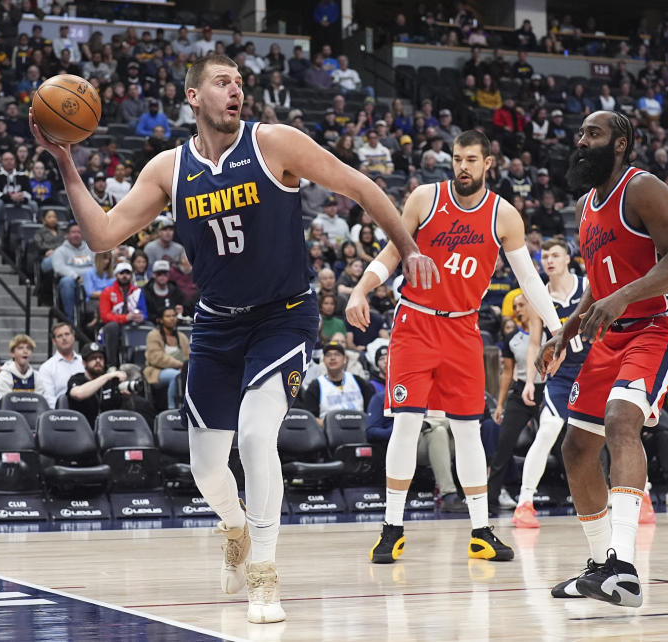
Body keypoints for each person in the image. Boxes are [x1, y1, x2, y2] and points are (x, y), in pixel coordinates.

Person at [30, 53, 434, 624]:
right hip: (217, 325)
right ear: (193, 96)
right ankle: (235, 525)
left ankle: (264, 575)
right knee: (206, 468)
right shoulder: (169, 170)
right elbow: (102, 235)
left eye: (240, 83)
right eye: (222, 83)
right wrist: (66, 163)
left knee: (254, 433)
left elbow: (362, 186)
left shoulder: (275, 143)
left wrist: (409, 251)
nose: (235, 91)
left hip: (283, 317)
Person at [346, 129, 563, 566]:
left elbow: (529, 282)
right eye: (457, 158)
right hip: (415, 324)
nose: (462, 166)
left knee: (467, 430)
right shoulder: (425, 198)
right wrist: (360, 289)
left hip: (463, 328)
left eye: (470, 159)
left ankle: (481, 532)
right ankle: (392, 528)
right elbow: (391, 253)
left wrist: (558, 330)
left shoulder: (504, 216)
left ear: (488, 165)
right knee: (407, 425)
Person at [536, 111, 668, 608]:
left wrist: (622, 297)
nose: (582, 141)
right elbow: (600, 283)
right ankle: (598, 567)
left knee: (621, 421)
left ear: (622, 143)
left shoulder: (643, 188)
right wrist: (565, 328)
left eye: (594, 134)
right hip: (611, 332)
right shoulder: (587, 206)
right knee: (576, 449)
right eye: (581, 134)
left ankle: (623, 567)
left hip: (660, 325)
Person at [506, 239, 592, 527]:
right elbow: (534, 343)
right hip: (562, 373)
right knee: (548, 431)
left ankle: (640, 494)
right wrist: (530, 379)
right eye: (544, 257)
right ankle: (525, 503)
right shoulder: (538, 296)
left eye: (555, 255)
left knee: (620, 429)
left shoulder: (587, 285)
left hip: (596, 368)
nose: (549, 260)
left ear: (568, 258)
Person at [487, 294, 546, 515]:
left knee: (560, 443)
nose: (517, 309)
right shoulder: (511, 337)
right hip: (520, 392)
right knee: (504, 444)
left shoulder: (549, 331)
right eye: (514, 306)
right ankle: (491, 498)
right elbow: (507, 374)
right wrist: (500, 404)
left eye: (521, 304)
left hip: (546, 391)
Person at [298, 341, 376, 425]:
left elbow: (371, 410)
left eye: (337, 354)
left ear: (345, 359)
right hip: (329, 434)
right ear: (323, 360)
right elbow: (310, 418)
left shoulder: (358, 381)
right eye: (328, 355)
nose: (332, 358)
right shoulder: (315, 386)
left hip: (360, 430)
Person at [67, 342, 138, 428]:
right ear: (84, 363)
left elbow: (122, 412)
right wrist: (107, 376)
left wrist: (126, 398)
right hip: (81, 430)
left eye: (100, 358)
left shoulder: (110, 382)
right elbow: (78, 394)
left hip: (109, 430)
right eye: (93, 358)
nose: (98, 361)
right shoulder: (76, 379)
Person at [99, 261, 148, 368]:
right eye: (122, 273)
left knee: (149, 327)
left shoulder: (138, 291)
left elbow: (145, 312)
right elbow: (105, 316)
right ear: (116, 275)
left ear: (131, 275)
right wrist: (125, 318)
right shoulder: (107, 292)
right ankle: (112, 365)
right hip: (114, 326)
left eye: (127, 273)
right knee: (112, 327)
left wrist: (141, 317)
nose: (125, 276)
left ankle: (144, 364)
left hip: (134, 324)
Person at [144, 306, 190, 410]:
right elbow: (156, 358)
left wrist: (185, 367)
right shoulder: (153, 335)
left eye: (174, 315)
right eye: (168, 316)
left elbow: (189, 356)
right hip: (158, 371)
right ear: (160, 320)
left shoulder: (182, 337)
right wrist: (181, 365)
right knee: (176, 376)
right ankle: (172, 409)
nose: (172, 318)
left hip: (181, 369)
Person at [51, 223, 95, 324]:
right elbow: (59, 268)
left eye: (79, 232)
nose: (76, 235)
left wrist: (90, 277)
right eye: (73, 232)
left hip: (91, 281)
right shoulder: (60, 251)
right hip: (73, 282)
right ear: (67, 235)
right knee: (66, 282)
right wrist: (76, 276)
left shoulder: (91, 249)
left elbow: (98, 265)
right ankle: (70, 321)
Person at [36, 322, 85, 408]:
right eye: (59, 336)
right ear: (54, 341)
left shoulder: (84, 362)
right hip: (61, 415)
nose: (64, 338)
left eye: (67, 334)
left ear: (73, 337)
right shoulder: (47, 368)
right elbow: (48, 399)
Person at [0, 334, 43, 402]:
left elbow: (39, 403)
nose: (25, 351)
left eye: (29, 348)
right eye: (20, 348)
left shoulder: (37, 376)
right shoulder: (4, 376)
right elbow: (7, 404)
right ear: (12, 353)